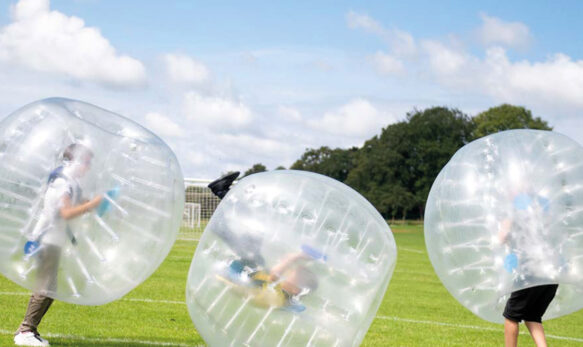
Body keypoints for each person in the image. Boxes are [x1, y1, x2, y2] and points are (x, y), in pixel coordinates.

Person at [14, 144, 103, 347]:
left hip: (54, 239)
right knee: (45, 286)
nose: (88, 168)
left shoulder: (67, 180)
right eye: (86, 163)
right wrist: (91, 205)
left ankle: (30, 329)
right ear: (75, 161)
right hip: (47, 239)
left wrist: (93, 203)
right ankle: (25, 331)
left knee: (49, 287)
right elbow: (66, 213)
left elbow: (73, 204)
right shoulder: (63, 181)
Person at [499, 190, 558, 347]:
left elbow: (501, 237)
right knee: (532, 316)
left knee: (511, 316)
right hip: (551, 271)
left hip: (531, 271)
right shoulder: (540, 209)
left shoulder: (515, 210)